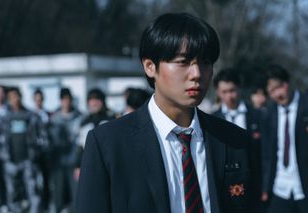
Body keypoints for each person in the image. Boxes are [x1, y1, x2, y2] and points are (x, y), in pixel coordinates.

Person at [77, 13, 256, 213]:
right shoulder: (108, 144)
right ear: (150, 66)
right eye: (183, 61)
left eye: (205, 62)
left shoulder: (234, 141)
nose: (197, 74)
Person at [212, 68, 263, 212]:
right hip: (225, 186)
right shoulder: (213, 119)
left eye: (232, 90)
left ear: (239, 88)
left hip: (253, 183)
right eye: (224, 92)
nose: (229, 96)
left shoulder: (256, 116)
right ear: (217, 92)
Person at [261, 64, 308, 212]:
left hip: (304, 186)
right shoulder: (270, 114)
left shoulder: (305, 106)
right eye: (271, 91)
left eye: (278, 88)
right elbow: (267, 154)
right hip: (280, 187)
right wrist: (265, 186)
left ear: (287, 84)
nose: (277, 94)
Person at [0, 87, 46, 213]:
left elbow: (44, 137)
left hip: (28, 161)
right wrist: (1, 154)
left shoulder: (31, 116)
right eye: (11, 98)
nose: (14, 100)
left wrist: (36, 153)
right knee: (12, 193)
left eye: (16, 96)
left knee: (33, 191)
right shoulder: (4, 118)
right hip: (11, 161)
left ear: (20, 97)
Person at [49, 87, 82, 212]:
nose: (66, 102)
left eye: (68, 99)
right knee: (58, 196)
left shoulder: (80, 117)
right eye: (64, 99)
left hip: (74, 163)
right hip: (58, 164)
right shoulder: (54, 119)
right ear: (60, 100)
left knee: (76, 195)